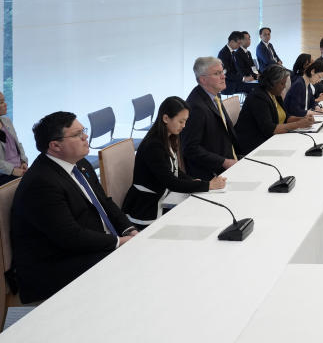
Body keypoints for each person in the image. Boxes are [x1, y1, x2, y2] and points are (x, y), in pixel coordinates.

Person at [10, 112, 137, 303]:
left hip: (86, 246)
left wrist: (130, 230)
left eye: (83, 131)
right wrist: (118, 242)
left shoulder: (80, 163)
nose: (85, 137)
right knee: (132, 268)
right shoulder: (42, 182)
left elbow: (105, 202)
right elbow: (69, 237)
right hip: (56, 265)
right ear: (55, 146)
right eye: (77, 134)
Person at [122, 96, 226, 229]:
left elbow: (175, 170)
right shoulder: (153, 145)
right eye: (181, 121)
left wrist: (193, 181)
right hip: (146, 208)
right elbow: (171, 182)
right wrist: (207, 185)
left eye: (185, 121)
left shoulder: (170, 137)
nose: (184, 126)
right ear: (166, 119)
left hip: (162, 198)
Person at [180, 57, 241, 181]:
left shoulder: (214, 94)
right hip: (211, 173)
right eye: (217, 73)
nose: (223, 76)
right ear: (203, 80)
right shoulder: (196, 107)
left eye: (222, 72)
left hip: (230, 160)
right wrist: (224, 162)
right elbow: (190, 149)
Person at [234, 64, 315, 154]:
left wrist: (303, 119)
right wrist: (299, 124)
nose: (284, 87)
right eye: (282, 83)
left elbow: (286, 117)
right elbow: (270, 129)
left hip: (271, 140)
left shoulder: (275, 94)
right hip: (253, 145)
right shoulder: (258, 97)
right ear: (272, 82)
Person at [0, 92, 28, 184]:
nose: (5, 104)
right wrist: (12, 170)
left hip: (19, 169)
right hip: (4, 174)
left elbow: (17, 144)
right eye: (1, 102)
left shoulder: (6, 120)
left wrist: (24, 162)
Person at [219, 31, 255, 95]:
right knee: (255, 87)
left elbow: (251, 66)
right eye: (239, 43)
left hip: (236, 81)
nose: (239, 46)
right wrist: (243, 78)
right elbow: (227, 74)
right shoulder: (223, 54)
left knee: (257, 85)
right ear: (232, 42)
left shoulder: (233, 52)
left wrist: (254, 75)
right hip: (229, 85)